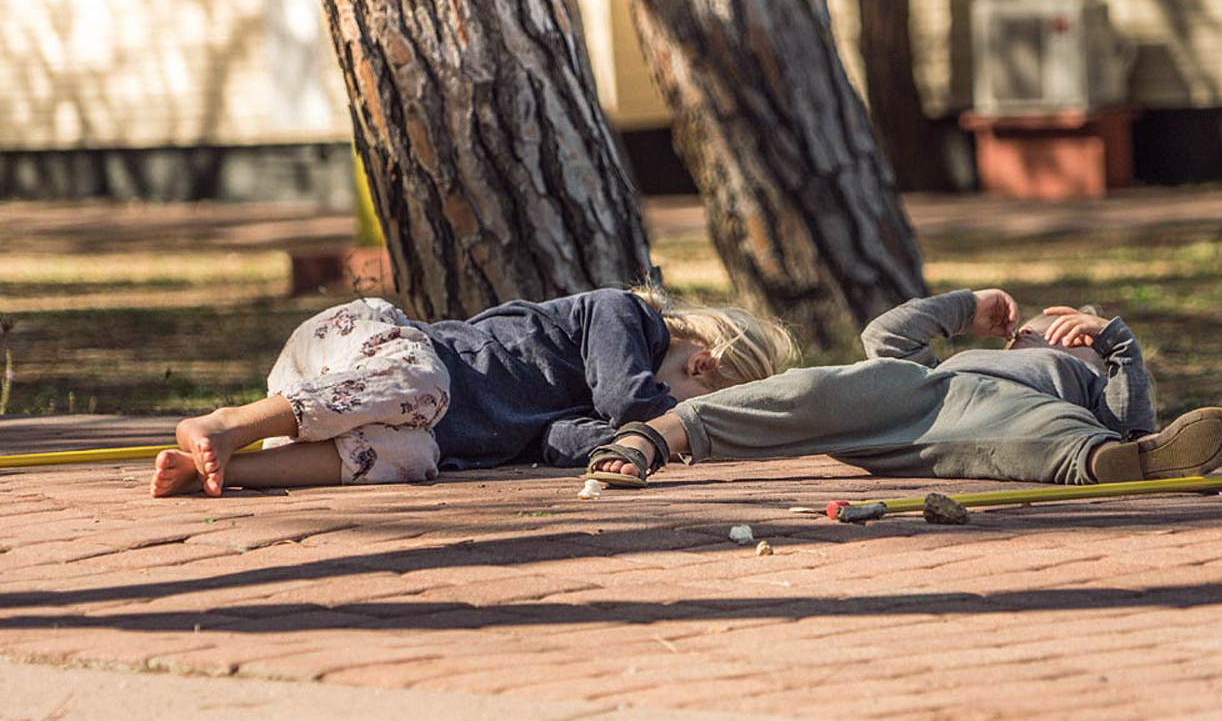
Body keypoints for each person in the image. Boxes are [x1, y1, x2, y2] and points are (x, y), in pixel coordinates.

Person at [151, 286, 796, 497]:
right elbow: (630, 400)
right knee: (424, 385)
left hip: (394, 416)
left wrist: (615, 452)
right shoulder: (622, 316)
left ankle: (230, 469)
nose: (666, 420)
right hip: (365, 346)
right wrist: (661, 430)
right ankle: (232, 423)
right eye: (684, 405)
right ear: (702, 364)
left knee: (414, 458)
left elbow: (561, 440)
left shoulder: (590, 403)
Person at [584, 288, 1222, 487]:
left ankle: (1116, 467)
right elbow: (884, 336)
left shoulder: (1081, 382)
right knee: (810, 390)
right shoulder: (969, 356)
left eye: (1074, 332)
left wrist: (1114, 342)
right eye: (1045, 326)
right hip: (919, 397)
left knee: (1048, 438)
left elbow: (1133, 415)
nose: (1056, 335)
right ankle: (655, 436)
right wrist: (967, 308)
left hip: (1010, 424)